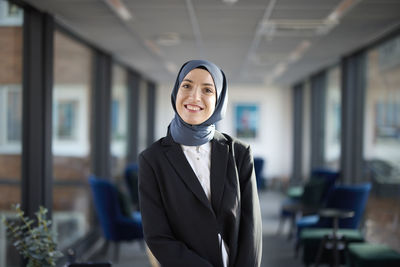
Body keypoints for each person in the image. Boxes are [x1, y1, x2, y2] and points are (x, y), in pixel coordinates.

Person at [138, 59, 262, 267]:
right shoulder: (152, 159)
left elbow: (251, 229)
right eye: (186, 86)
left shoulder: (239, 152)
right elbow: (157, 236)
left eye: (207, 90)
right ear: (176, 90)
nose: (194, 97)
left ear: (219, 100)